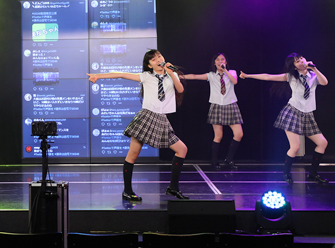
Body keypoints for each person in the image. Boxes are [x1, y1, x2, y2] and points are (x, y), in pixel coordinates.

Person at [87, 49, 189, 201]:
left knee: (182, 150)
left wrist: (171, 73)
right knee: (133, 155)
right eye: (154, 59)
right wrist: (98, 76)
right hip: (146, 117)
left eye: (159, 56)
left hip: (162, 119)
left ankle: (173, 188)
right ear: (149, 65)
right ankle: (127, 191)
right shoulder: (146, 76)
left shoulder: (170, 75)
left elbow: (180, 89)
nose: (158, 59)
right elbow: (121, 74)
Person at [240, 53, 329, 184]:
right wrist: (248, 75)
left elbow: (325, 82)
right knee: (295, 146)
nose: (301, 61)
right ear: (294, 67)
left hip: (308, 114)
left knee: (322, 143)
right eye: (297, 61)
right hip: (293, 112)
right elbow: (268, 77)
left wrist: (314, 68)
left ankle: (313, 174)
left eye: (301, 59)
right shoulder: (291, 76)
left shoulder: (313, 75)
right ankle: (286, 174)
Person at [184, 53, 243, 170]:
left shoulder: (232, 72)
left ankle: (228, 159)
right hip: (216, 105)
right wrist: (179, 77)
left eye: (222, 59)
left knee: (239, 134)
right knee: (218, 136)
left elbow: (235, 81)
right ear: (214, 63)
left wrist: (224, 71)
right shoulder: (211, 75)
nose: (220, 61)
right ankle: (214, 162)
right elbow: (195, 76)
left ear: (225, 62)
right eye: (217, 60)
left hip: (231, 105)